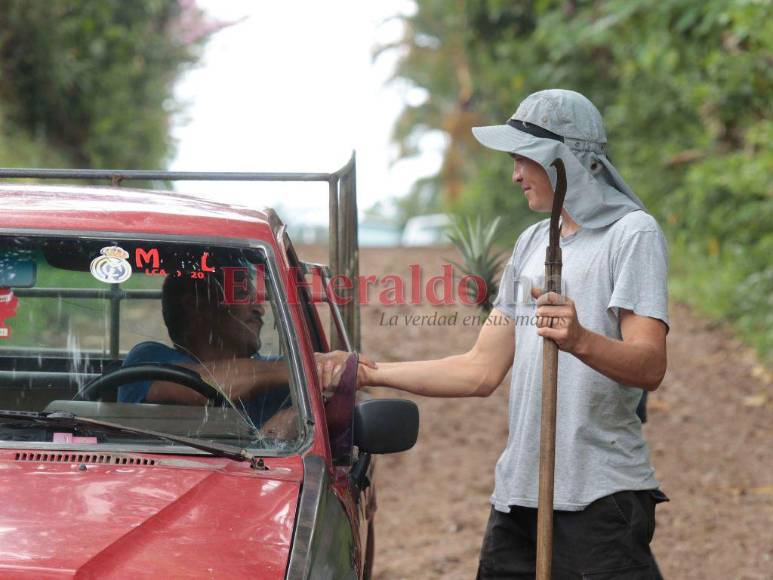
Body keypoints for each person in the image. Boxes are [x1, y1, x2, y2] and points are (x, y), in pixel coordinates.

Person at [352, 89, 670, 578]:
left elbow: (649, 365)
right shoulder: (532, 242)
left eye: (524, 159)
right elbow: (479, 369)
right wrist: (367, 372)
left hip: (600, 499)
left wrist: (581, 339)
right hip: (520, 496)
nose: (515, 174)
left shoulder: (632, 234)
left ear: (561, 161)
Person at [119, 270, 354, 436]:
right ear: (195, 305)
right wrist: (310, 368)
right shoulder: (148, 361)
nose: (260, 309)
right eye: (242, 294)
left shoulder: (281, 376)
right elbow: (207, 386)